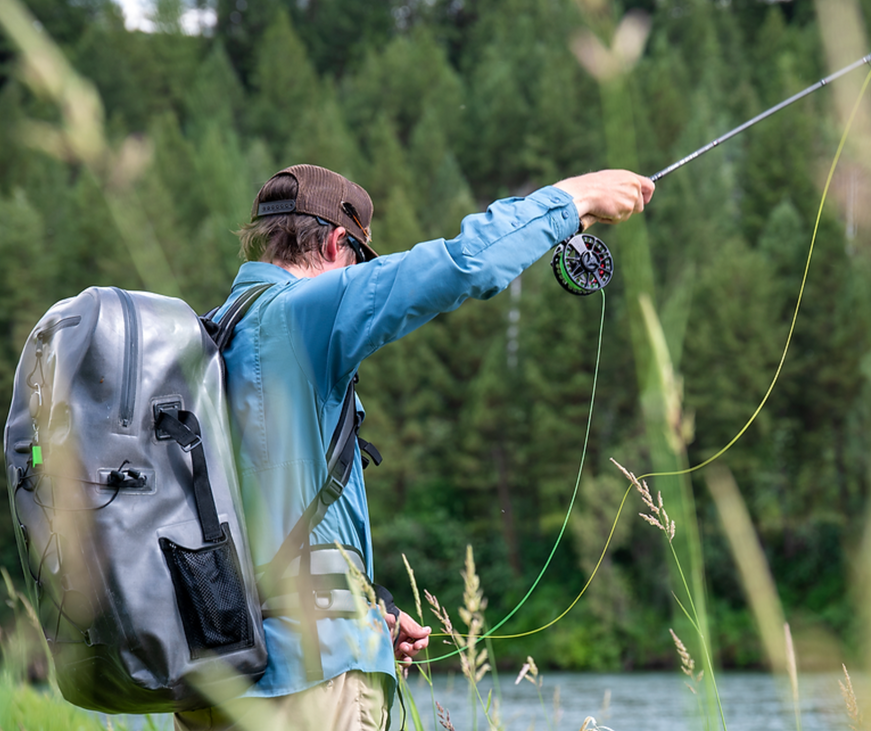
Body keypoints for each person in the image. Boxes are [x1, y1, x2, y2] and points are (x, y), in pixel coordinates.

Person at [174, 164, 654, 730]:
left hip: (215, 682)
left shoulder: (210, 338)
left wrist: (366, 608)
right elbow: (461, 263)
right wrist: (572, 200)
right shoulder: (302, 313)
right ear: (337, 244)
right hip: (307, 680)